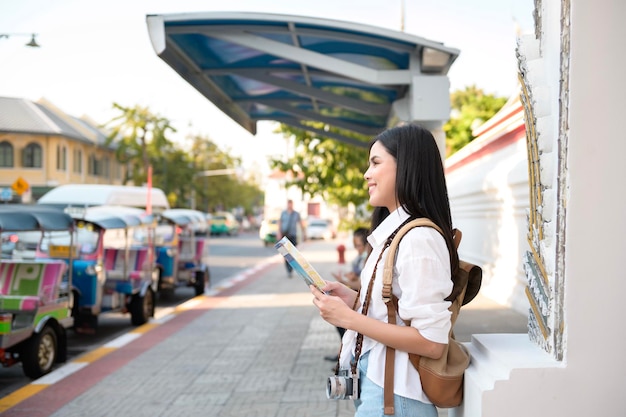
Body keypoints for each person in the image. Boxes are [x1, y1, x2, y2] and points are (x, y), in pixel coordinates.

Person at [311, 124, 459, 417]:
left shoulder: (418, 239)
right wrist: (353, 299)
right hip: (380, 385)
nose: (367, 174)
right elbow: (396, 313)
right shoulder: (395, 233)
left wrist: (350, 319)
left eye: (376, 163)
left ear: (407, 167)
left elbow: (431, 342)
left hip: (396, 398)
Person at [324, 227, 370, 362]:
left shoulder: (368, 258)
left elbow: (363, 284)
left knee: (344, 323)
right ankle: (344, 353)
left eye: (359, 246)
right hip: (356, 294)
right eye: (355, 246)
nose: (357, 249)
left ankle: (346, 355)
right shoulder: (360, 258)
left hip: (361, 297)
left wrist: (343, 282)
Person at [277, 199, 306, 277]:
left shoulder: (296, 214)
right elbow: (280, 222)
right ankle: (288, 270)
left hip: (293, 236)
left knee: (292, 254)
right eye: (288, 204)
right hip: (284, 235)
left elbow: (301, 223)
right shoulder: (283, 213)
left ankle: (291, 268)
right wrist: (279, 232)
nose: (290, 205)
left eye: (291, 204)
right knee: (285, 254)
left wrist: (304, 233)